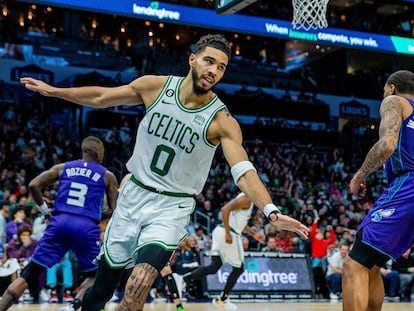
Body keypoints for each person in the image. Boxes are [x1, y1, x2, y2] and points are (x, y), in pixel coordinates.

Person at [19, 33, 309, 311]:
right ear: (192, 59)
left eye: (221, 67)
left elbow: (243, 170)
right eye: (209, 61)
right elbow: (101, 96)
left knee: (138, 285)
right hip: (133, 197)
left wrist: (271, 210)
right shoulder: (155, 87)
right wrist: (55, 91)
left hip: (172, 206)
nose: (214, 71)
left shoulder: (222, 120)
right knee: (100, 292)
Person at [0, 136, 119, 311]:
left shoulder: (62, 168)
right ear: (100, 154)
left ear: (83, 151)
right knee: (95, 276)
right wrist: (92, 216)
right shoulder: (108, 176)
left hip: (59, 221)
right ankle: (72, 307)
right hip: (86, 226)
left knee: (30, 273)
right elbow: (112, 211)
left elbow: (34, 184)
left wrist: (43, 209)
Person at [343, 70, 414, 311]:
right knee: (371, 264)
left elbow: (387, 144)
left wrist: (360, 174)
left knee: (355, 263)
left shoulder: (395, 101)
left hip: (409, 185)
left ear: (391, 87)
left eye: (384, 89)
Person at [184, 192, 266, 310]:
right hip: (229, 233)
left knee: (214, 267)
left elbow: (239, 224)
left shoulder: (245, 199)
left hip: (221, 231)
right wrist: (228, 232)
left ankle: (185, 279)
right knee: (239, 269)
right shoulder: (247, 198)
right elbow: (225, 209)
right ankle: (222, 299)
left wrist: (253, 234)